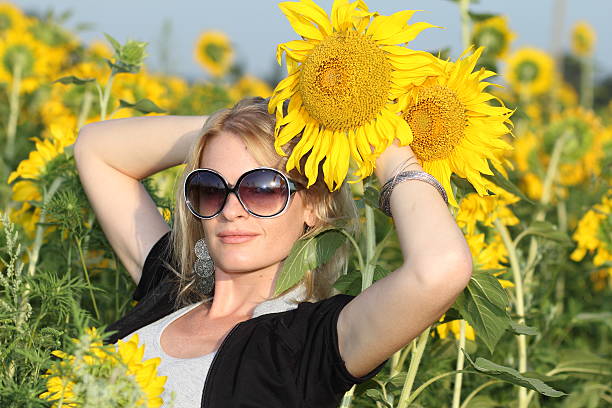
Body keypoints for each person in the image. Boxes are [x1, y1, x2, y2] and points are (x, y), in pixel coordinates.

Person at [73, 97, 472, 407]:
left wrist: (379, 139)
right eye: (210, 188)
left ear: (313, 206)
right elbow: (95, 148)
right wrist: (231, 128)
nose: (230, 210)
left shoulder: (309, 343)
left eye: (262, 189)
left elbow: (440, 268)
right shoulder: (174, 287)